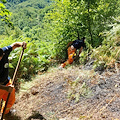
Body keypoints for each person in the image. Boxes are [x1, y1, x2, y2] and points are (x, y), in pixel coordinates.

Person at [0, 42, 27, 116]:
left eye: (1, 57)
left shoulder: (3, 51)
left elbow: (14, 45)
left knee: (10, 100)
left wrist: (22, 44)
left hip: (7, 82)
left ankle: (5, 113)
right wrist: (5, 88)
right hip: (1, 87)